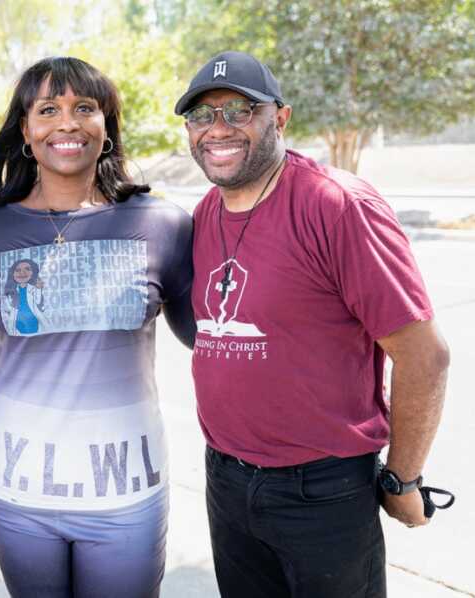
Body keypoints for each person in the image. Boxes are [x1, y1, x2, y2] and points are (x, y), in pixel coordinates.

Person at [176, 51, 450, 597]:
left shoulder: (337, 204)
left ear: (279, 118)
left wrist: (402, 478)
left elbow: (425, 355)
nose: (218, 129)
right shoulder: (207, 211)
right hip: (226, 480)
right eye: (201, 116)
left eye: (239, 110)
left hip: (321, 491)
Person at [0, 56, 195, 598]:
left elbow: (211, 337)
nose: (67, 122)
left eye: (85, 108)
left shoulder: (162, 224)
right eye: (48, 109)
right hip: (14, 485)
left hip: (126, 487)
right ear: (26, 133)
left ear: (106, 129)